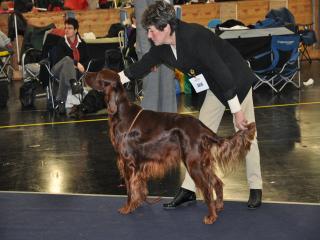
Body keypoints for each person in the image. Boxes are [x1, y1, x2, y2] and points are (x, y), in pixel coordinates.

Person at [119, 1, 263, 209]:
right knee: (194, 139)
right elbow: (141, 66)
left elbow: (222, 73)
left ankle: (255, 186)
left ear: (165, 27)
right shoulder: (163, 46)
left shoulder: (196, 37)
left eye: (151, 31)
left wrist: (237, 111)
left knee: (247, 132)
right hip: (215, 85)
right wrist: (115, 80)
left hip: (235, 81)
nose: (149, 36)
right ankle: (188, 190)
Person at [134, 0, 177, 113]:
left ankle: (170, 125)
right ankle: (149, 128)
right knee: (151, 94)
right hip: (149, 49)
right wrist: (148, 58)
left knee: (168, 91)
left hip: (167, 46)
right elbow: (142, 26)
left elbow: (171, 20)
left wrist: (172, 46)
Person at [51, 17, 89, 114]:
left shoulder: (82, 44)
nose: (67, 30)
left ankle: (61, 101)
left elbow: (86, 61)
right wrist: (76, 64)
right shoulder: (61, 42)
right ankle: (73, 84)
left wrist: (80, 66)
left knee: (67, 70)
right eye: (66, 28)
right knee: (68, 60)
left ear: (76, 30)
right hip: (56, 69)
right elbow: (60, 59)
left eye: (70, 28)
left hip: (69, 72)